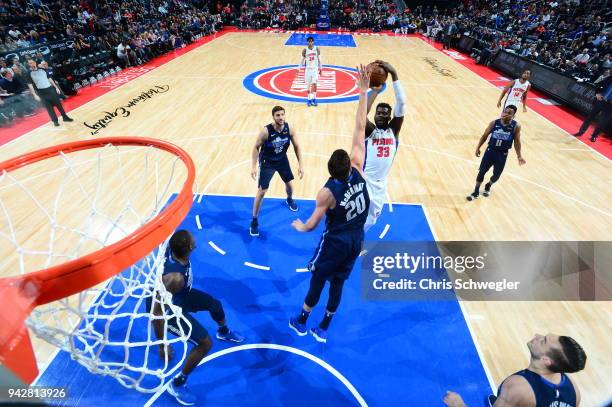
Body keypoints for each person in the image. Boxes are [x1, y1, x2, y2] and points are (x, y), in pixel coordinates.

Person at [288, 65, 371, 343]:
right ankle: (324, 327)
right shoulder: (358, 167)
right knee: (339, 282)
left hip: (336, 241)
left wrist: (300, 226)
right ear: (349, 164)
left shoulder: (327, 192)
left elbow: (312, 226)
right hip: (357, 240)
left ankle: (301, 321)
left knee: (318, 279)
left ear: (330, 170)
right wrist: (363, 91)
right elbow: (360, 127)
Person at [148, 230, 244, 405]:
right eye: (192, 238)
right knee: (205, 343)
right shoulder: (175, 278)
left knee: (215, 305)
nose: (195, 238)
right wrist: (162, 345)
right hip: (168, 309)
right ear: (189, 246)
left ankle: (223, 331)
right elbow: (156, 313)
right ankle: (177, 383)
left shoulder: (175, 251)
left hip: (181, 295)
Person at [443, 334, 586, 407]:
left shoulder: (518, 387)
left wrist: (458, 404)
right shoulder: (574, 391)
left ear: (546, 360)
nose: (537, 335)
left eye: (543, 341)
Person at [363, 60, 406, 231]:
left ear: (389, 117)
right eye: (378, 113)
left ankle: (355, 241)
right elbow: (361, 115)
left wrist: (394, 74)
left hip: (381, 185)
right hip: (364, 181)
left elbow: (401, 104)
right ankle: (349, 244)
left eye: (384, 114)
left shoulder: (393, 131)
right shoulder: (370, 131)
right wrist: (374, 91)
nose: (381, 115)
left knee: (371, 221)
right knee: (358, 217)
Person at [250, 106, 304, 236]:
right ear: (273, 117)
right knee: (262, 191)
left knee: (290, 184)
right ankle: (254, 221)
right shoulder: (266, 131)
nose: (280, 117)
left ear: (285, 115)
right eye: (277, 115)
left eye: (282, 115)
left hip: (281, 160)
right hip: (267, 162)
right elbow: (256, 147)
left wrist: (301, 164)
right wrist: (253, 166)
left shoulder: (289, 128)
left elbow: (297, 146)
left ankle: (289, 199)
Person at [466, 105, 526, 201]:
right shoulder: (494, 123)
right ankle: (476, 191)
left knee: (496, 176)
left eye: (509, 113)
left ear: (513, 116)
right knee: (481, 171)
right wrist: (478, 147)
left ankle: (488, 184)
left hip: (502, 154)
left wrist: (519, 156)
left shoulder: (516, 126)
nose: (506, 114)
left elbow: (517, 141)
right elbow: (484, 135)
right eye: (505, 112)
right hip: (490, 151)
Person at [24, 59, 73, 126]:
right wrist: (34, 94)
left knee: (59, 104)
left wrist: (56, 87)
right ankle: (55, 121)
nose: (32, 64)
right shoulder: (28, 74)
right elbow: (30, 84)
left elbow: (49, 78)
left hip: (50, 89)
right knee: (49, 107)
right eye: (30, 63)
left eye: (33, 62)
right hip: (41, 92)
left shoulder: (42, 69)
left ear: (35, 62)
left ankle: (65, 117)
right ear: (28, 64)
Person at [574, 69, 612, 142]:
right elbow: (598, 84)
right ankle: (581, 132)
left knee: (602, 122)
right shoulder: (610, 78)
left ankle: (594, 136)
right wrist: (597, 93)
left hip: (609, 105)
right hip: (601, 101)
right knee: (590, 117)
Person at [300, 36, 322, 107]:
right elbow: (302, 60)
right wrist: (298, 69)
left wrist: (320, 69)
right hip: (307, 70)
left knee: (315, 84)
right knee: (308, 85)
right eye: (309, 41)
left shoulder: (317, 49)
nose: (310, 42)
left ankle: (314, 98)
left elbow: (319, 59)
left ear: (313, 42)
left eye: (311, 41)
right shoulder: (305, 50)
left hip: (314, 69)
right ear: (307, 42)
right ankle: (309, 99)